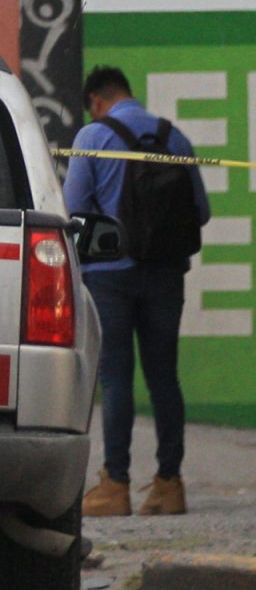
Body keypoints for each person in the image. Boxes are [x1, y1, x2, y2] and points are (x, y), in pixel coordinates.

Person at [64, 65, 211, 518]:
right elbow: (201, 213)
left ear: (97, 100)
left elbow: (73, 209)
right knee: (164, 376)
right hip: (167, 274)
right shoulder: (175, 138)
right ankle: (170, 484)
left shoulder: (92, 136)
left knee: (115, 378)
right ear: (128, 93)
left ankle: (116, 485)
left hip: (110, 275)